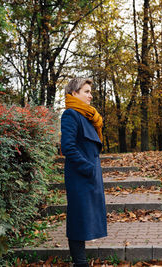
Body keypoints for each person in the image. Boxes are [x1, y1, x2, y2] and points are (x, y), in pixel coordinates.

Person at [60, 78, 107, 267]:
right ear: (74, 94)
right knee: (78, 218)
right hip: (80, 175)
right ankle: (80, 263)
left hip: (89, 174)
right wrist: (87, 167)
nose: (90, 95)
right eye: (86, 91)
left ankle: (80, 262)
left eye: (90, 91)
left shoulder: (88, 117)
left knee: (86, 217)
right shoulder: (71, 114)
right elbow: (68, 147)